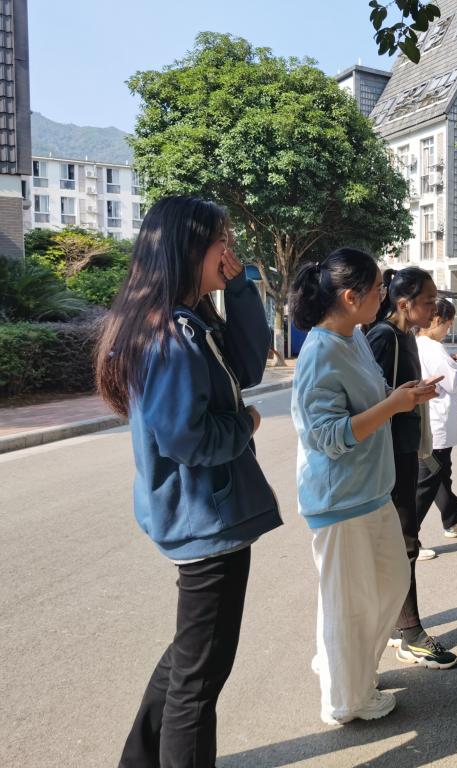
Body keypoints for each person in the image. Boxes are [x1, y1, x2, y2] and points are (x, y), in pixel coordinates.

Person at [96, 196, 282, 767]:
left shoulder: (188, 321)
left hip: (206, 517)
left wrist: (243, 282)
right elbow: (187, 438)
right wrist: (246, 422)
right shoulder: (171, 334)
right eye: (219, 242)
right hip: (207, 521)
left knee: (189, 657)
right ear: (186, 249)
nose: (228, 251)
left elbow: (250, 366)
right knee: (200, 680)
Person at [289, 248, 437, 725]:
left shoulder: (351, 336)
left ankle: (345, 668)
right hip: (341, 500)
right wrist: (395, 405)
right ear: (351, 297)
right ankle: (345, 699)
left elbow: (375, 399)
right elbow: (329, 436)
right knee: (349, 605)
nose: (384, 296)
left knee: (388, 586)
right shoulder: (319, 353)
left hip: (369, 492)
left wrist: (404, 397)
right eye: (377, 290)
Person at [367, 267, 457, 670]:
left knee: (401, 541)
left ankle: (395, 626)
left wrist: (418, 395)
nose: (434, 306)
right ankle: (411, 634)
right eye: (427, 299)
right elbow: (371, 401)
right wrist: (408, 397)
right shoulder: (384, 336)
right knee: (404, 541)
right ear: (403, 302)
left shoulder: (406, 336)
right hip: (389, 456)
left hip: (405, 451)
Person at [415, 298, 457, 539]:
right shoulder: (432, 347)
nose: (448, 330)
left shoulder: (420, 345)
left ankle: (454, 518)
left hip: (431, 424)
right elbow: (454, 382)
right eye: (448, 325)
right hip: (436, 428)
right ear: (438, 321)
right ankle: (408, 537)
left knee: (439, 475)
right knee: (428, 481)